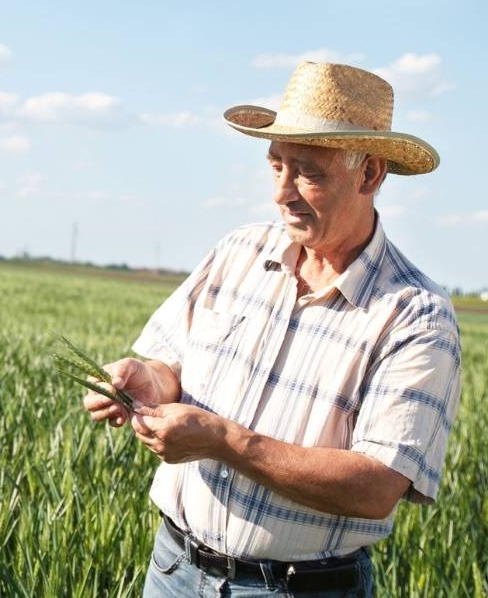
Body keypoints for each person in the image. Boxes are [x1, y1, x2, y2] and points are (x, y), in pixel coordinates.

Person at [83, 62, 461, 597]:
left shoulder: (416, 316)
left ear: (370, 174)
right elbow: (171, 365)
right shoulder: (239, 251)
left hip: (300, 589)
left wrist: (224, 440)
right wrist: (146, 380)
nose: (282, 193)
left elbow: (378, 486)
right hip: (173, 569)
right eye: (276, 166)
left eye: (309, 173)